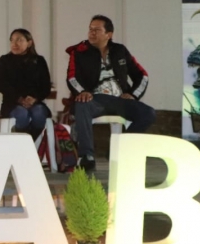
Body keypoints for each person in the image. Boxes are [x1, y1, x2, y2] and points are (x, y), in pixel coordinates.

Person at [66, 15, 156, 173]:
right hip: (96, 100)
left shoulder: (120, 51)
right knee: (82, 104)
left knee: (148, 113)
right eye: (90, 29)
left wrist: (133, 95)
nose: (92, 33)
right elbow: (71, 77)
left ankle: (120, 149)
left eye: (97, 30)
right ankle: (87, 156)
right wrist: (83, 92)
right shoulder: (79, 52)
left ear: (109, 34)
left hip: (120, 100)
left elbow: (142, 75)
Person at [0, 28, 51, 140]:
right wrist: (19, 99)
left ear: (29, 43)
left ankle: (28, 141)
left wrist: (34, 98)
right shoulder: (5, 60)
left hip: (35, 102)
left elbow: (46, 86)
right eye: (12, 40)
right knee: (21, 114)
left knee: (39, 113)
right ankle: (27, 144)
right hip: (12, 103)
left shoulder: (39, 61)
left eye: (19, 40)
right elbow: (2, 84)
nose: (15, 44)